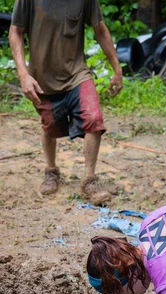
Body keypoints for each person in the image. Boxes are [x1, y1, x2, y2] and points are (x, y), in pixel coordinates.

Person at [9, 0, 123, 200]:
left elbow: (101, 30)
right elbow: (15, 31)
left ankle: (90, 180)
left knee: (94, 119)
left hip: (77, 73)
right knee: (50, 127)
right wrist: (23, 74)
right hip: (43, 78)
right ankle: (52, 171)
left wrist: (117, 69)